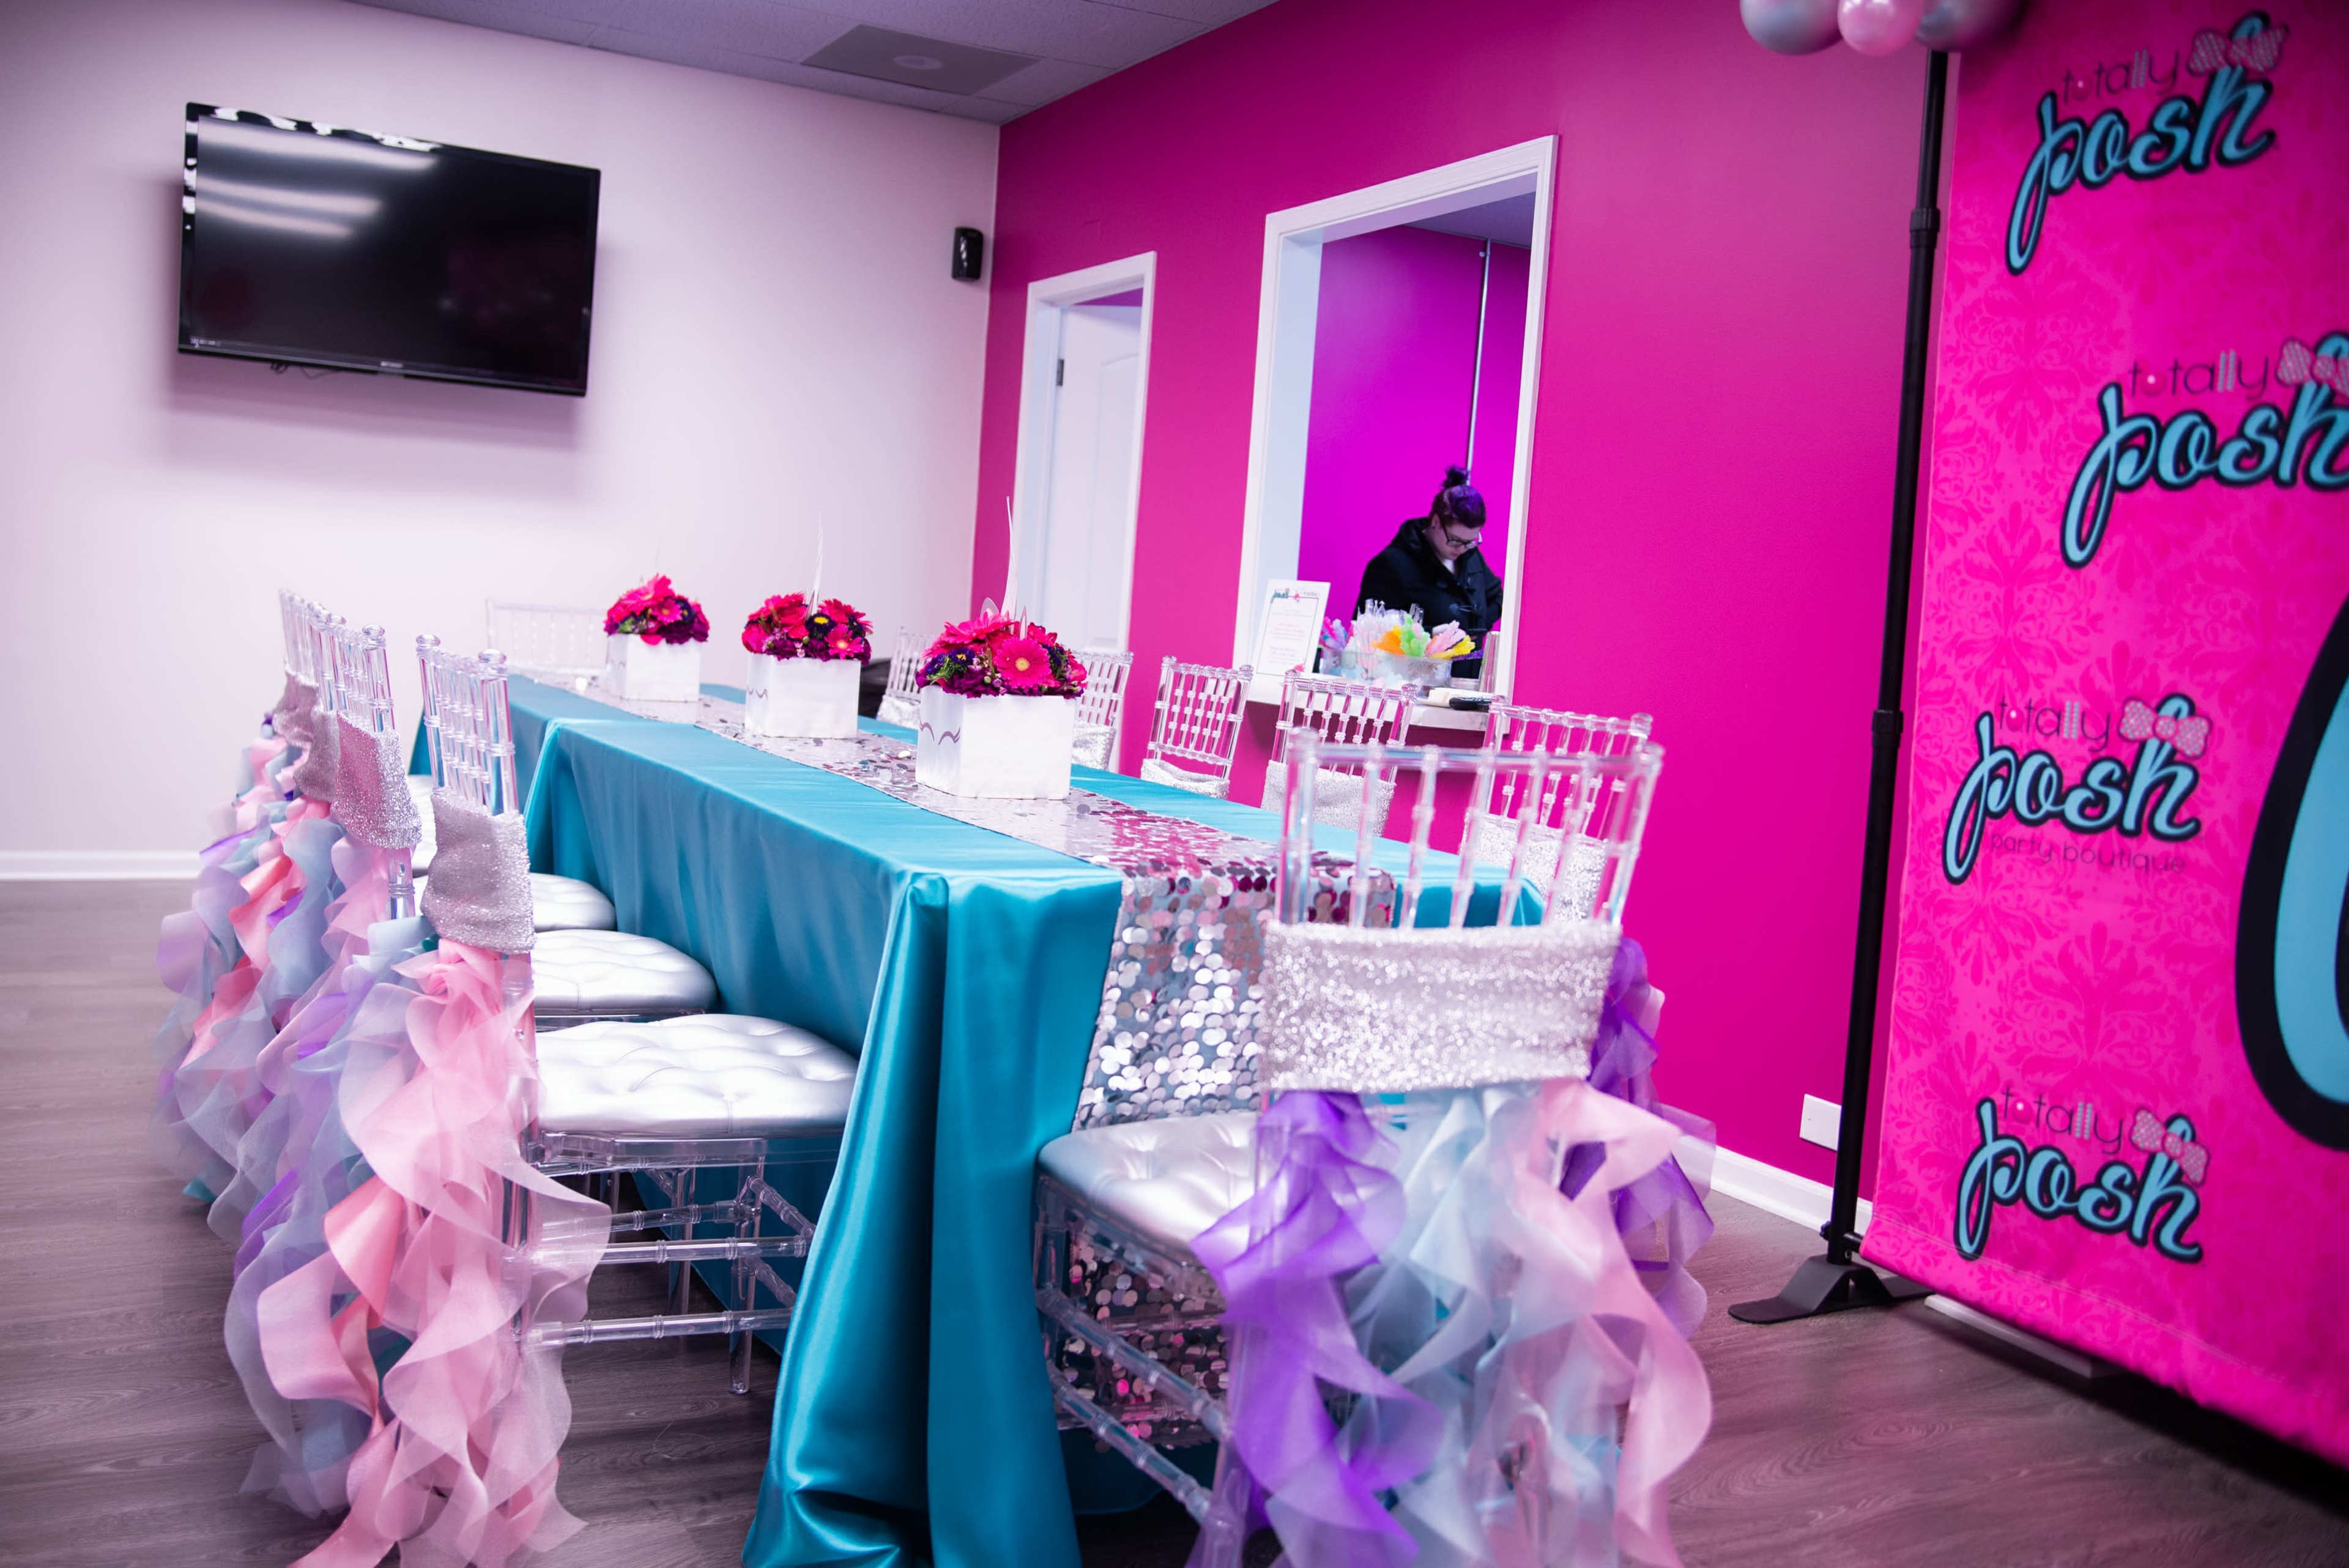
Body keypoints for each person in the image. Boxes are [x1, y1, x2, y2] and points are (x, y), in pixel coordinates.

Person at [1353, 465, 1502, 674]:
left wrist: (1476, 626)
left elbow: (1497, 597)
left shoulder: (1470, 555)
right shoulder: (1392, 565)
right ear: (1436, 522)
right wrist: (1429, 635)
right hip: (1415, 681)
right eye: (1455, 540)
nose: (1461, 549)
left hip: (1466, 678)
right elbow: (1369, 633)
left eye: (1470, 541)